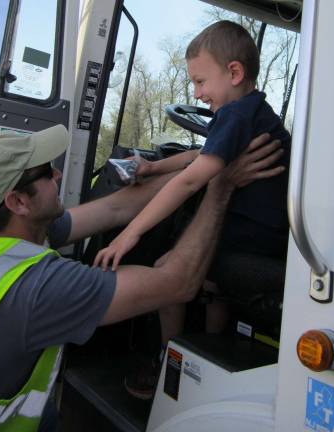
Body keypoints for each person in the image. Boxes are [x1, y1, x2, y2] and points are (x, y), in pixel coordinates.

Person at [0, 124, 283, 431]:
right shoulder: (39, 288)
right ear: (17, 202)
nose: (58, 175)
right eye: (45, 172)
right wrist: (221, 187)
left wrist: (199, 169)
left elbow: (116, 208)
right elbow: (179, 282)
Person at [93, 20, 291, 399]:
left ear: (234, 73)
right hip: (265, 236)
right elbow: (199, 155)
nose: (197, 93)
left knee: (169, 267)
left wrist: (129, 232)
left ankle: (171, 360)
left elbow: (189, 181)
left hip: (249, 241)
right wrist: (153, 167)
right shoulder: (251, 110)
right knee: (211, 284)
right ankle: (211, 355)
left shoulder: (235, 116)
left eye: (201, 82)